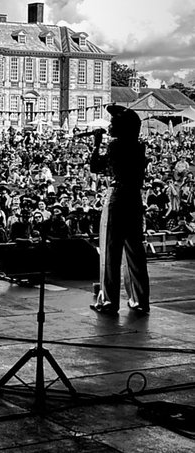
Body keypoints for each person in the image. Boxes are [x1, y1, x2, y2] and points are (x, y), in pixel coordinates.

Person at [90, 104, 150, 315]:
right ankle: (139, 299)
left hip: (117, 198)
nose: (110, 126)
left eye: (114, 123)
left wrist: (96, 144)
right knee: (135, 251)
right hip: (134, 198)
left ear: (123, 127)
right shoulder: (138, 146)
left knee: (110, 251)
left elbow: (95, 167)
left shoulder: (115, 146)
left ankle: (108, 301)